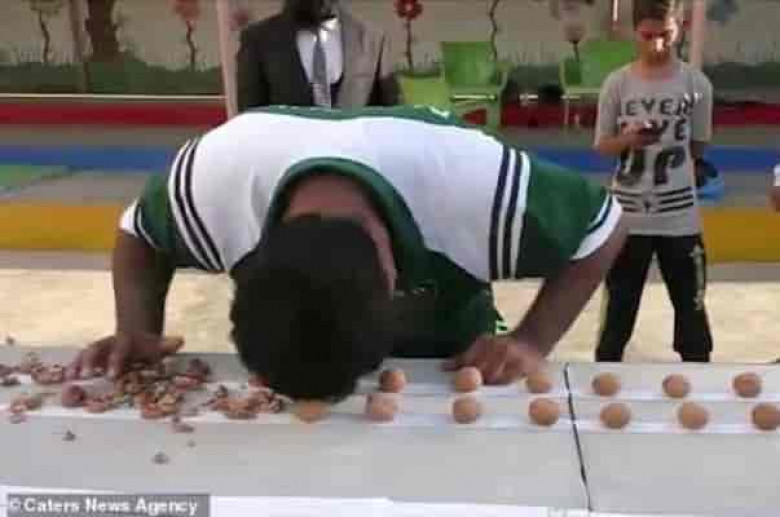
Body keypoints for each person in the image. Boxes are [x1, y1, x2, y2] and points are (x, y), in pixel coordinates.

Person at [66, 106, 626, 402]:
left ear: (397, 279)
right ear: (250, 254)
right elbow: (139, 232)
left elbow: (603, 224)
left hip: (455, 353)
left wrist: (531, 341)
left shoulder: (478, 189)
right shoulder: (215, 181)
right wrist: (136, 326)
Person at [593, 0, 714, 362]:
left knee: (691, 307)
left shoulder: (696, 84)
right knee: (618, 310)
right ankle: (606, 372)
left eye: (666, 35)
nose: (657, 45)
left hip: (680, 217)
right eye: (648, 36)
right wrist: (628, 140)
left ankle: (699, 376)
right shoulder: (618, 83)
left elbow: (699, 145)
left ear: (679, 28)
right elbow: (602, 145)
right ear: (635, 33)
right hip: (628, 216)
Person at [236, 0, 398, 112]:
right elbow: (251, 119)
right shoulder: (258, 40)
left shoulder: (373, 39)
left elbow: (392, 117)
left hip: (354, 151)